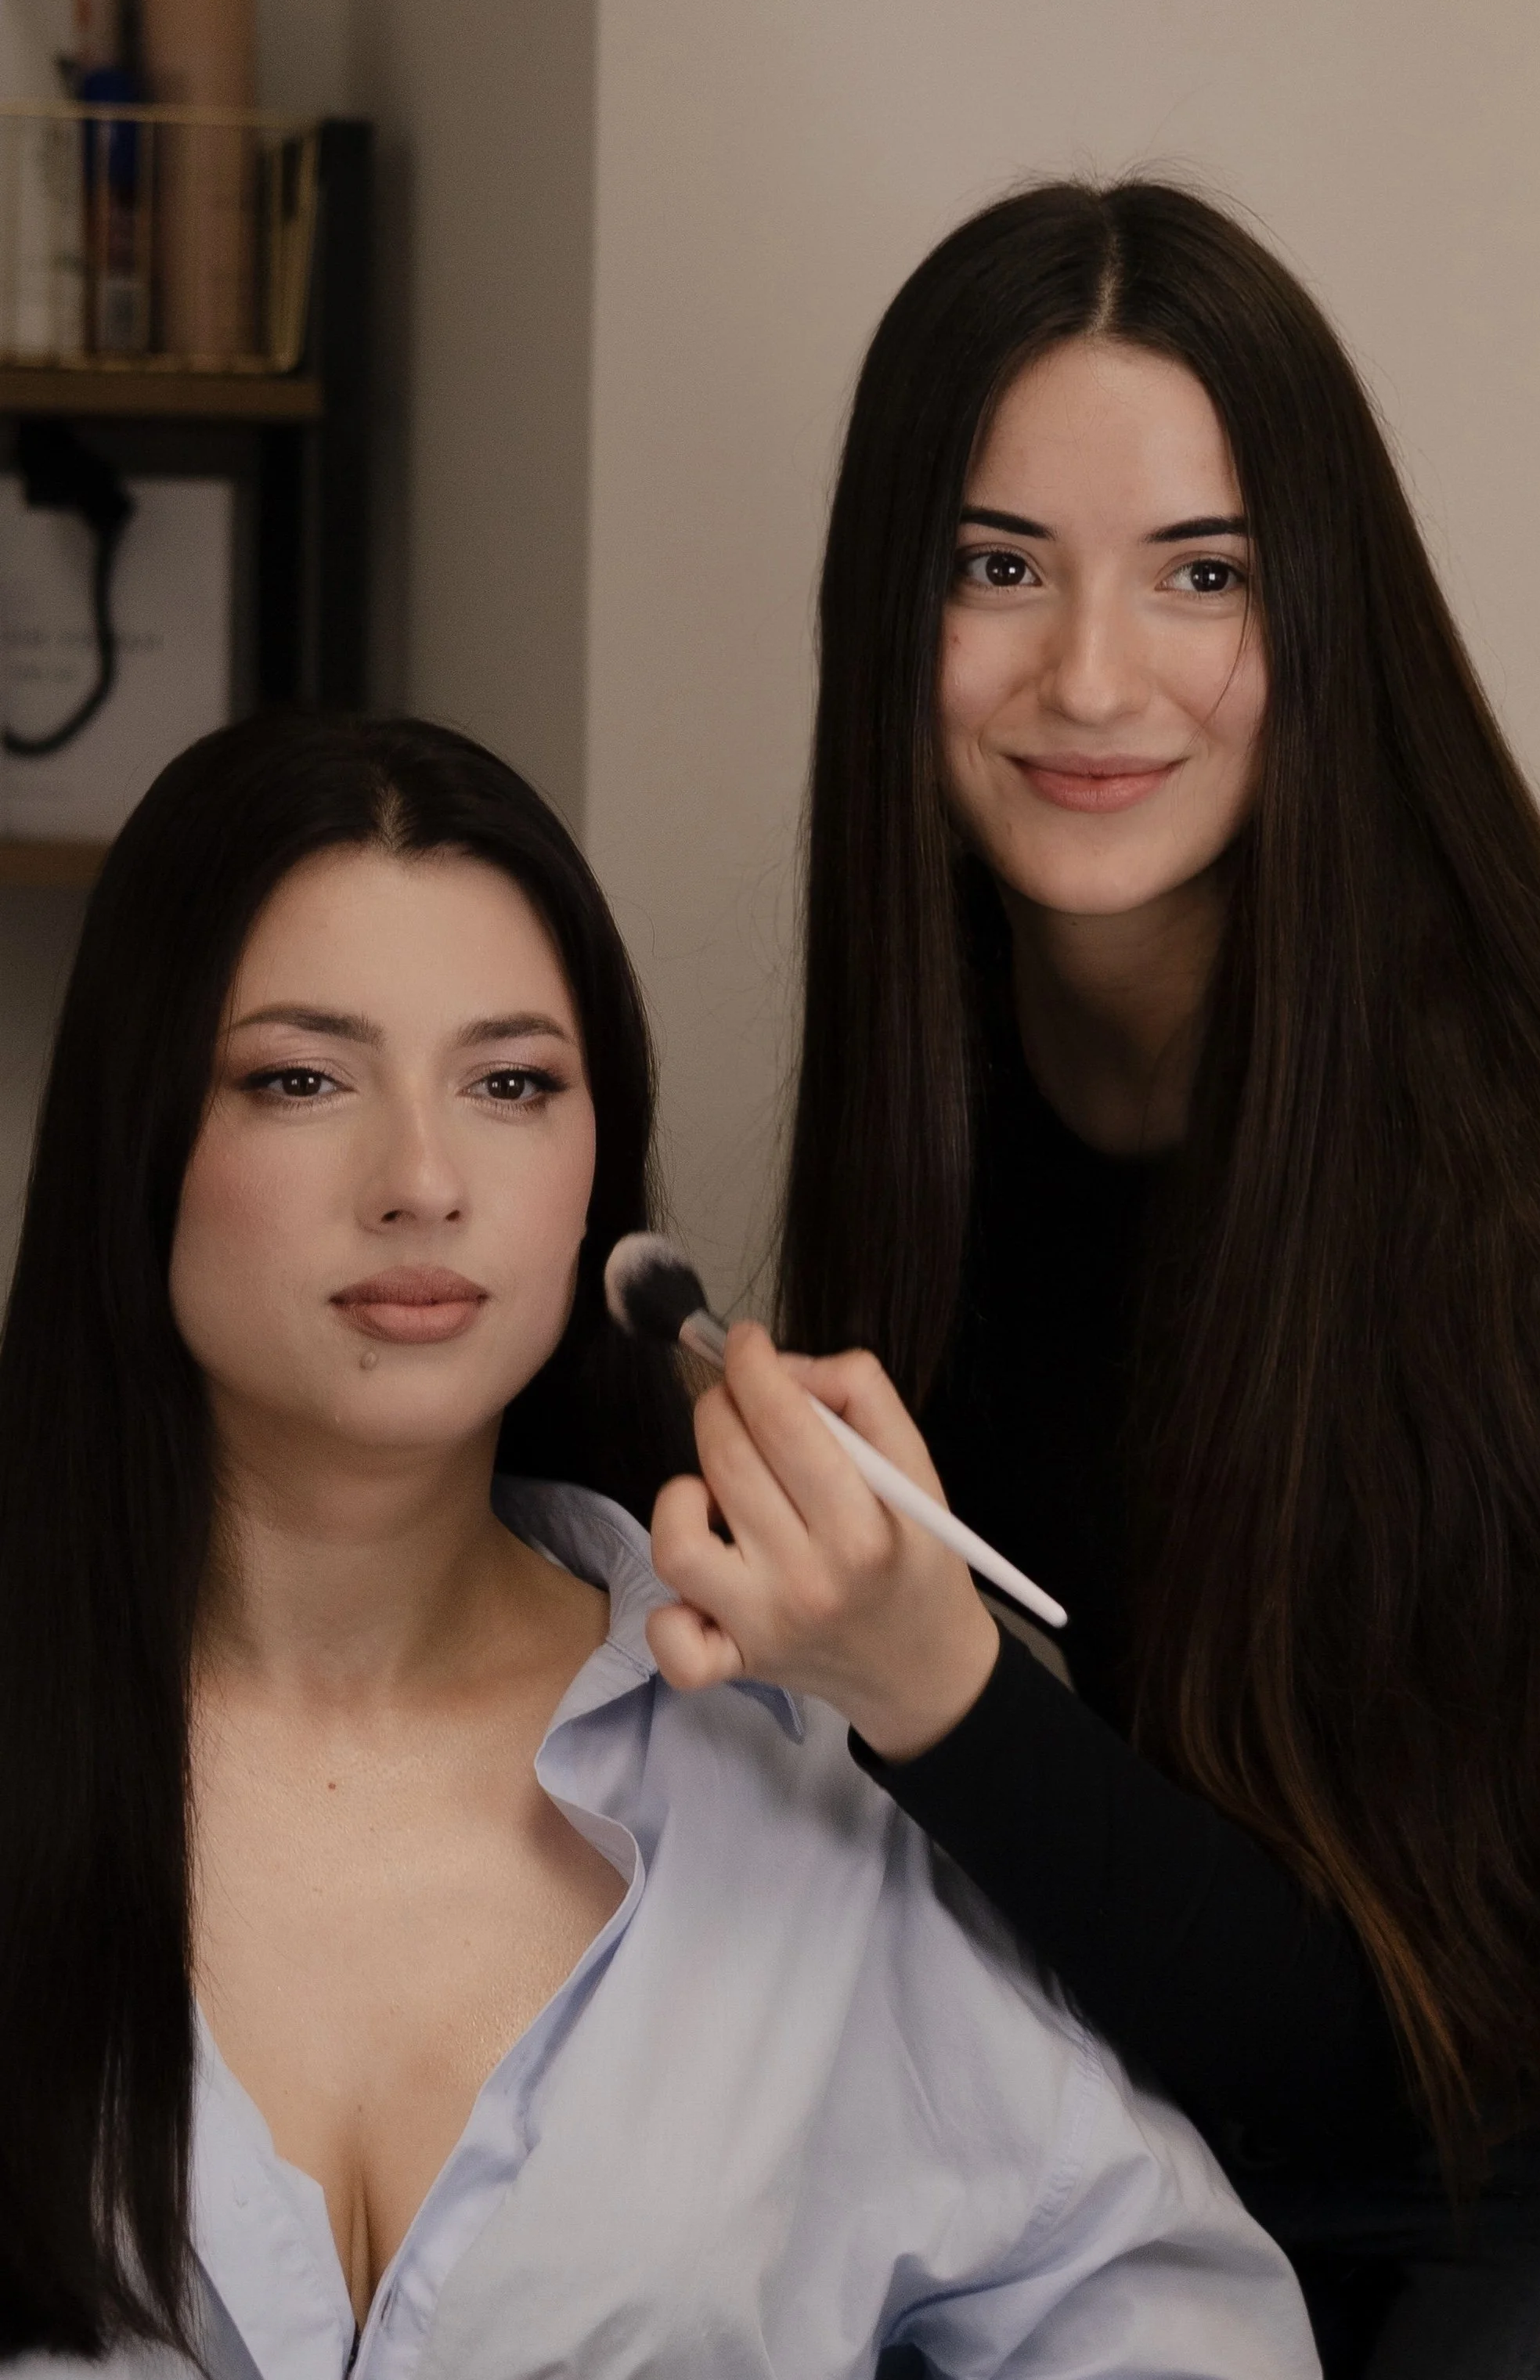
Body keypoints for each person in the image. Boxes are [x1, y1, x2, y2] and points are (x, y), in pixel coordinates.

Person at [647, 180, 1540, 2377]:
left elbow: (1387, 2065)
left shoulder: (1533, 1199)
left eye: (1203, 574)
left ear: (1322, 612)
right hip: (1172, 2076)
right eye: (996, 567)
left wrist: (934, 1685)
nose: (1089, 678)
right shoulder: (941, 1041)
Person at [0, 712, 1317, 2379]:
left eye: (510, 1084)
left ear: (596, 1176)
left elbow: (1175, 2324)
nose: (422, 1179)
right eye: (301, 1079)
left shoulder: (781, 1778)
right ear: (137, 1138)